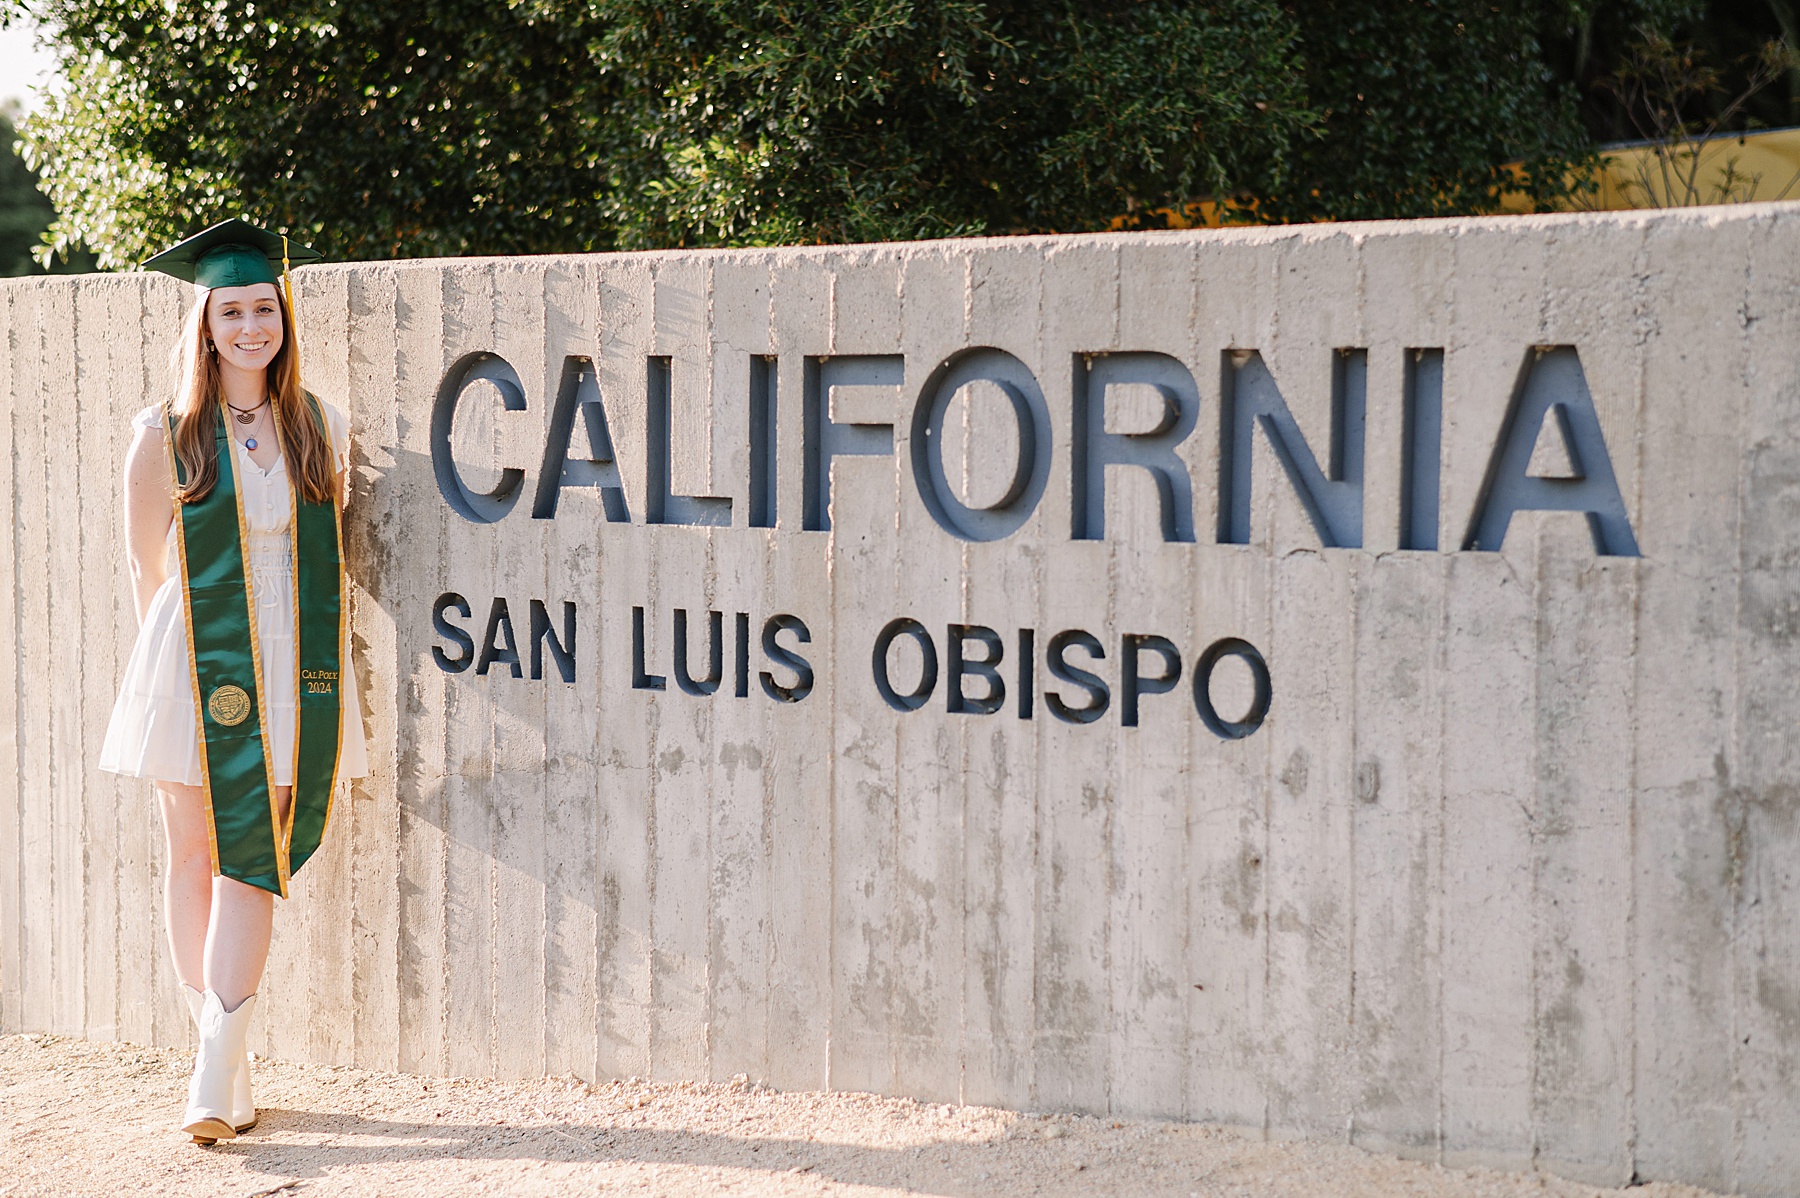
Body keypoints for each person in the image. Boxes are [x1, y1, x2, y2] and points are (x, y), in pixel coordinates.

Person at [97, 219, 368, 1144]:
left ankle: (218, 1061)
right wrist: (182, 680)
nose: (253, 327)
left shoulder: (319, 424)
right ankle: (220, 1066)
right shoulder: (164, 433)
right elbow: (145, 570)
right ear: (205, 326)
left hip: (294, 656)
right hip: (194, 652)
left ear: (281, 320)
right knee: (191, 850)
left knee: (258, 850)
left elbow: (333, 553)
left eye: (266, 309)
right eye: (233, 311)